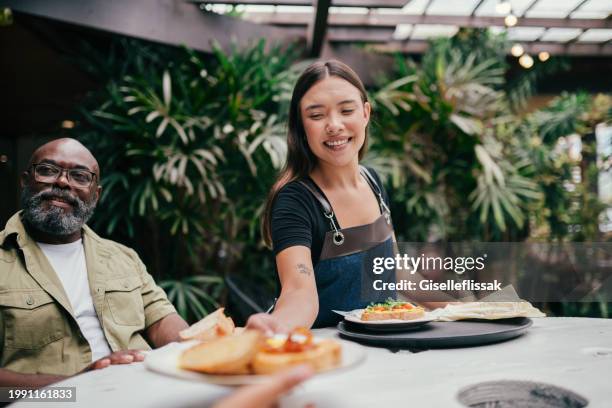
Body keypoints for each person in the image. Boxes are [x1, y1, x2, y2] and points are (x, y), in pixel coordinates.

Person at [0, 138, 190, 387]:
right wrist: (74, 387)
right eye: (48, 171)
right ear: (25, 181)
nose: (63, 182)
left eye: (80, 176)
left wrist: (196, 351)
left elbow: (162, 320)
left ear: (95, 195)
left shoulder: (124, 257)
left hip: (144, 392)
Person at [247, 60, 397, 332]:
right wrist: (274, 328)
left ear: (365, 113)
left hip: (385, 346)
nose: (334, 125)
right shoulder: (294, 201)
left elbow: (396, 270)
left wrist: (470, 300)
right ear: (301, 126)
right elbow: (298, 291)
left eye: (347, 110)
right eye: (316, 116)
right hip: (322, 353)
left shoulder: (373, 181)